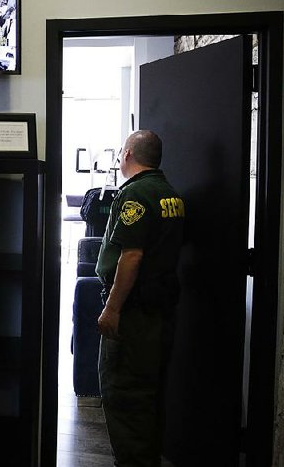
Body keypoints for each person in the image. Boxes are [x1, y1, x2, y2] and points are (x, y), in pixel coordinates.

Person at [95, 130, 185, 467]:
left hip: (133, 315)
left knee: (124, 396)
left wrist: (111, 308)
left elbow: (131, 256)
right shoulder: (169, 194)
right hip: (159, 311)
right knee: (150, 396)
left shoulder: (135, 195)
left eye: (121, 153)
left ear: (129, 154)